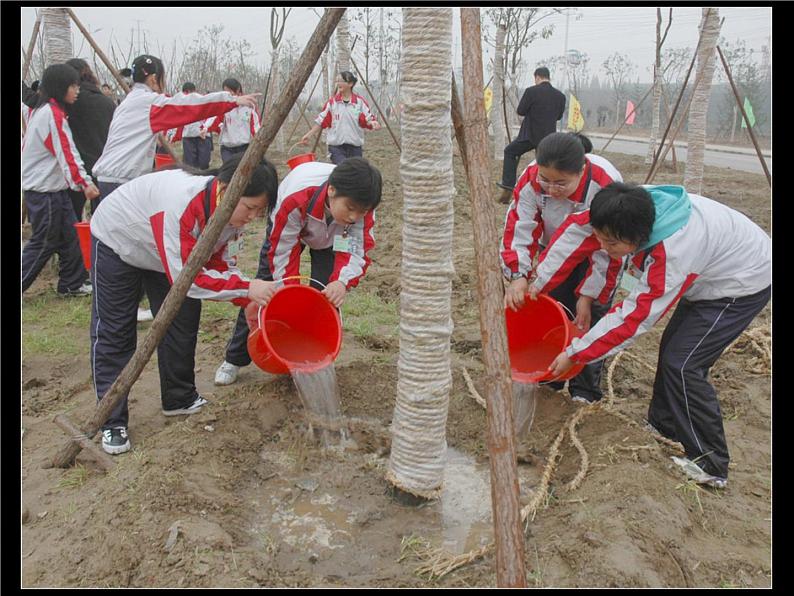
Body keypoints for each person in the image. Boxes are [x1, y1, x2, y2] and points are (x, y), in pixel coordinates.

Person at [531, 182, 771, 489]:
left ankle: (711, 464)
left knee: (683, 364)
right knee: (673, 352)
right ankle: (662, 426)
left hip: (741, 282)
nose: (603, 248)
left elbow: (633, 319)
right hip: (714, 265)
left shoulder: (674, 251)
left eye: (613, 244)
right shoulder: (624, 205)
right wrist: (536, 285)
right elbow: (575, 233)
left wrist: (575, 353)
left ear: (640, 238)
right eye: (600, 238)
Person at [88, 155, 279, 455]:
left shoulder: (230, 214)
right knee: (116, 331)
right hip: (121, 241)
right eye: (250, 207)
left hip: (167, 253)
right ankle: (112, 421)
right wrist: (248, 287)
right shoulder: (181, 204)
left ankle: (179, 398)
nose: (252, 217)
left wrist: (246, 299)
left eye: (259, 211)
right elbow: (188, 279)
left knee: (183, 319)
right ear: (227, 189)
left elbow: (218, 261)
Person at [214, 156, 382, 386]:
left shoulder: (363, 208)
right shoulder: (296, 196)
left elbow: (357, 251)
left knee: (325, 296)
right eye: (350, 209)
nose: (354, 217)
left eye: (361, 212)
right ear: (331, 190)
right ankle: (234, 359)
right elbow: (281, 250)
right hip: (290, 230)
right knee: (264, 293)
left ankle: (312, 357)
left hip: (332, 240)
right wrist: (287, 296)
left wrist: (341, 282)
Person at [502, 132, 622, 404]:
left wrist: (588, 295)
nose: (551, 189)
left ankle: (585, 392)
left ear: (581, 170)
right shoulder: (532, 179)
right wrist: (518, 275)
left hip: (597, 253)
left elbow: (609, 252)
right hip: (552, 253)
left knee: (589, 320)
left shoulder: (604, 184)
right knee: (552, 308)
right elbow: (520, 227)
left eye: (561, 183)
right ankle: (549, 379)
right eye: (546, 180)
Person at [92, 55, 260, 205]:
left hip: (109, 177)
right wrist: (232, 100)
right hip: (122, 179)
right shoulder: (149, 103)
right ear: (153, 79)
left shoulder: (129, 102)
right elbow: (189, 106)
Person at [21, 64, 100, 297]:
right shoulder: (52, 115)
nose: (77, 90)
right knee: (45, 240)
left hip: (53, 189)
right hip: (44, 191)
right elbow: (67, 153)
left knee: (71, 234)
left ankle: (71, 283)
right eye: (73, 86)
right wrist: (85, 183)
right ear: (60, 87)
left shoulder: (46, 110)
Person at [496, 67, 566, 204]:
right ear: (548, 77)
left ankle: (509, 184)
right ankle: (545, 192)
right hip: (548, 139)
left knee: (510, 151)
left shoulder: (531, 91)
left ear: (537, 77)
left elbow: (521, 111)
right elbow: (558, 117)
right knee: (544, 164)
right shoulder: (560, 96)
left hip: (529, 136)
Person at [64, 58, 117, 221]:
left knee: (73, 216)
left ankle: (75, 245)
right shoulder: (108, 102)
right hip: (103, 165)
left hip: (78, 166)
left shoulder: (70, 103)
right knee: (101, 217)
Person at [298, 71, 381, 165]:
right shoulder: (332, 104)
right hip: (336, 148)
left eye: (341, 81)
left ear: (350, 84)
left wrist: (373, 123)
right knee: (343, 169)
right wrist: (308, 135)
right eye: (337, 81)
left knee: (355, 174)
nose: (338, 83)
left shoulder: (359, 103)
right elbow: (321, 122)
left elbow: (367, 119)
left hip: (355, 148)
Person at [207, 78, 260, 163]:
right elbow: (214, 118)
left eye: (230, 90)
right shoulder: (224, 106)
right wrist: (205, 128)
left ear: (238, 90)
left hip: (244, 146)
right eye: (226, 91)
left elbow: (255, 124)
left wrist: (258, 138)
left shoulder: (249, 106)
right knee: (229, 170)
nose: (229, 93)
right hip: (228, 147)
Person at [178, 82, 214, 170]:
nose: (188, 95)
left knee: (204, 163)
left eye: (190, 92)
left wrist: (206, 127)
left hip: (203, 136)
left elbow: (212, 116)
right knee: (189, 165)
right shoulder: (181, 103)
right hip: (188, 137)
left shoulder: (202, 101)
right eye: (186, 93)